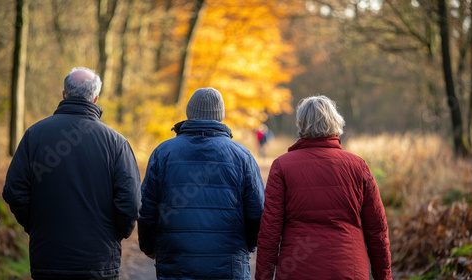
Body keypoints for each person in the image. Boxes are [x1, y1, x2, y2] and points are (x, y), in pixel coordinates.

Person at [3, 67, 141, 280]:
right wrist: (115, 234)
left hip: (48, 257)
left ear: (64, 94)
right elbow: (130, 203)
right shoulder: (116, 143)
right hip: (98, 261)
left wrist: (36, 225)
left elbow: (14, 191)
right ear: (95, 98)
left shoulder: (34, 135)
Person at [256, 96, 392, 280]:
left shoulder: (282, 166)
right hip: (349, 270)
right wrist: (383, 277)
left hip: (297, 270)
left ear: (301, 124)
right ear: (335, 122)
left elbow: (270, 231)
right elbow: (377, 230)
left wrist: (263, 277)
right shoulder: (358, 166)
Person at [138, 87, 265, 280]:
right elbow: (257, 211)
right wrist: (249, 245)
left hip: (176, 264)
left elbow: (147, 208)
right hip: (228, 266)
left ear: (190, 112)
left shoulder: (163, 153)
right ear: (220, 116)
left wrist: (148, 247)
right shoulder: (242, 156)